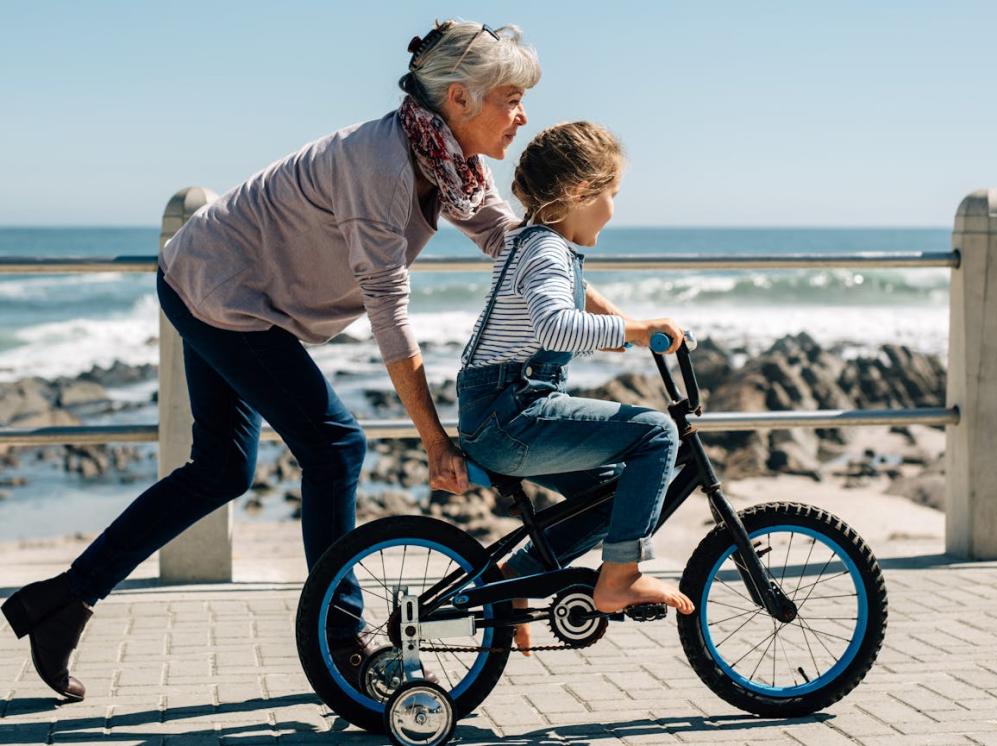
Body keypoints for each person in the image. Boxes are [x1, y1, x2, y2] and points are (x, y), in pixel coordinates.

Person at [2, 19, 608, 701]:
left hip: (221, 285)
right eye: (510, 98)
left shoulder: (449, 164)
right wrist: (434, 440)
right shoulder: (379, 168)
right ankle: (342, 638)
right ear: (460, 98)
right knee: (335, 446)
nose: (522, 116)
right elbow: (389, 312)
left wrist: (616, 321)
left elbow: (517, 247)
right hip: (219, 292)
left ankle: (58, 602)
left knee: (223, 470)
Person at [454, 121, 696, 655]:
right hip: (513, 410)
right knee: (656, 434)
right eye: (613, 195)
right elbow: (555, 325)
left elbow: (571, 295)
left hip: (500, 408)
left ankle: (511, 580)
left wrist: (625, 325)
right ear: (580, 194)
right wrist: (634, 331)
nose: (614, 208)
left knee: (615, 498)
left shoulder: (534, 242)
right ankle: (620, 578)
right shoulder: (545, 251)